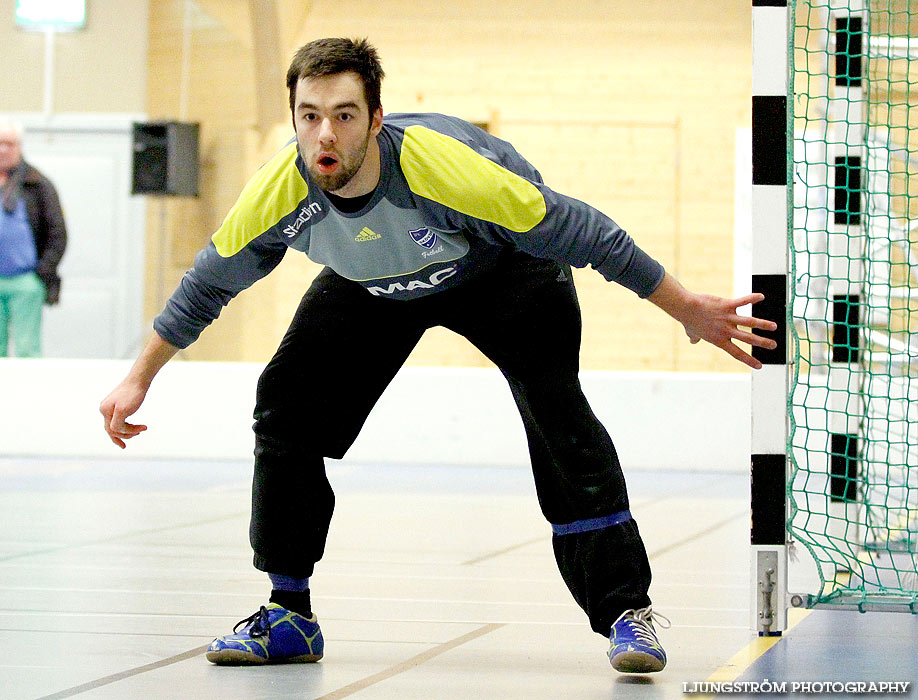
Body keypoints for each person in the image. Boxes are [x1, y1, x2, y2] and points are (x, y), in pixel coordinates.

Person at [100, 38, 777, 673]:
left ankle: (625, 612)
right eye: (309, 117)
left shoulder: (446, 171)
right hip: (371, 284)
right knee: (286, 405)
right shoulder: (280, 193)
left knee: (558, 416)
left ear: (375, 119)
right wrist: (138, 379)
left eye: (343, 115)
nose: (325, 135)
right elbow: (205, 286)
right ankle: (288, 614)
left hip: (503, 270)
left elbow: (587, 233)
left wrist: (685, 306)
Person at [0, 117, 67, 357]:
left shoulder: (37, 183)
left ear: (19, 146)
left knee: (28, 349)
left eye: (9, 144)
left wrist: (41, 273)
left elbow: (58, 234)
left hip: (26, 280)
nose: (3, 150)